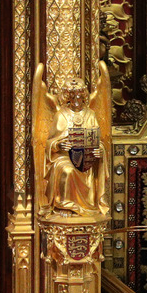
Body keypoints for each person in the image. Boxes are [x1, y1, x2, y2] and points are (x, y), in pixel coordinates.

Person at [43, 78, 108, 217]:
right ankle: (64, 205)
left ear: (83, 95)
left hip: (86, 158)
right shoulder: (61, 115)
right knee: (67, 171)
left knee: (86, 170)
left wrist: (99, 150)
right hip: (64, 157)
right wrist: (58, 145)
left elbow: (98, 140)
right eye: (72, 96)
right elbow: (50, 142)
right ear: (67, 97)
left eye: (79, 95)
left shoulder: (90, 114)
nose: (76, 99)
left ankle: (88, 205)